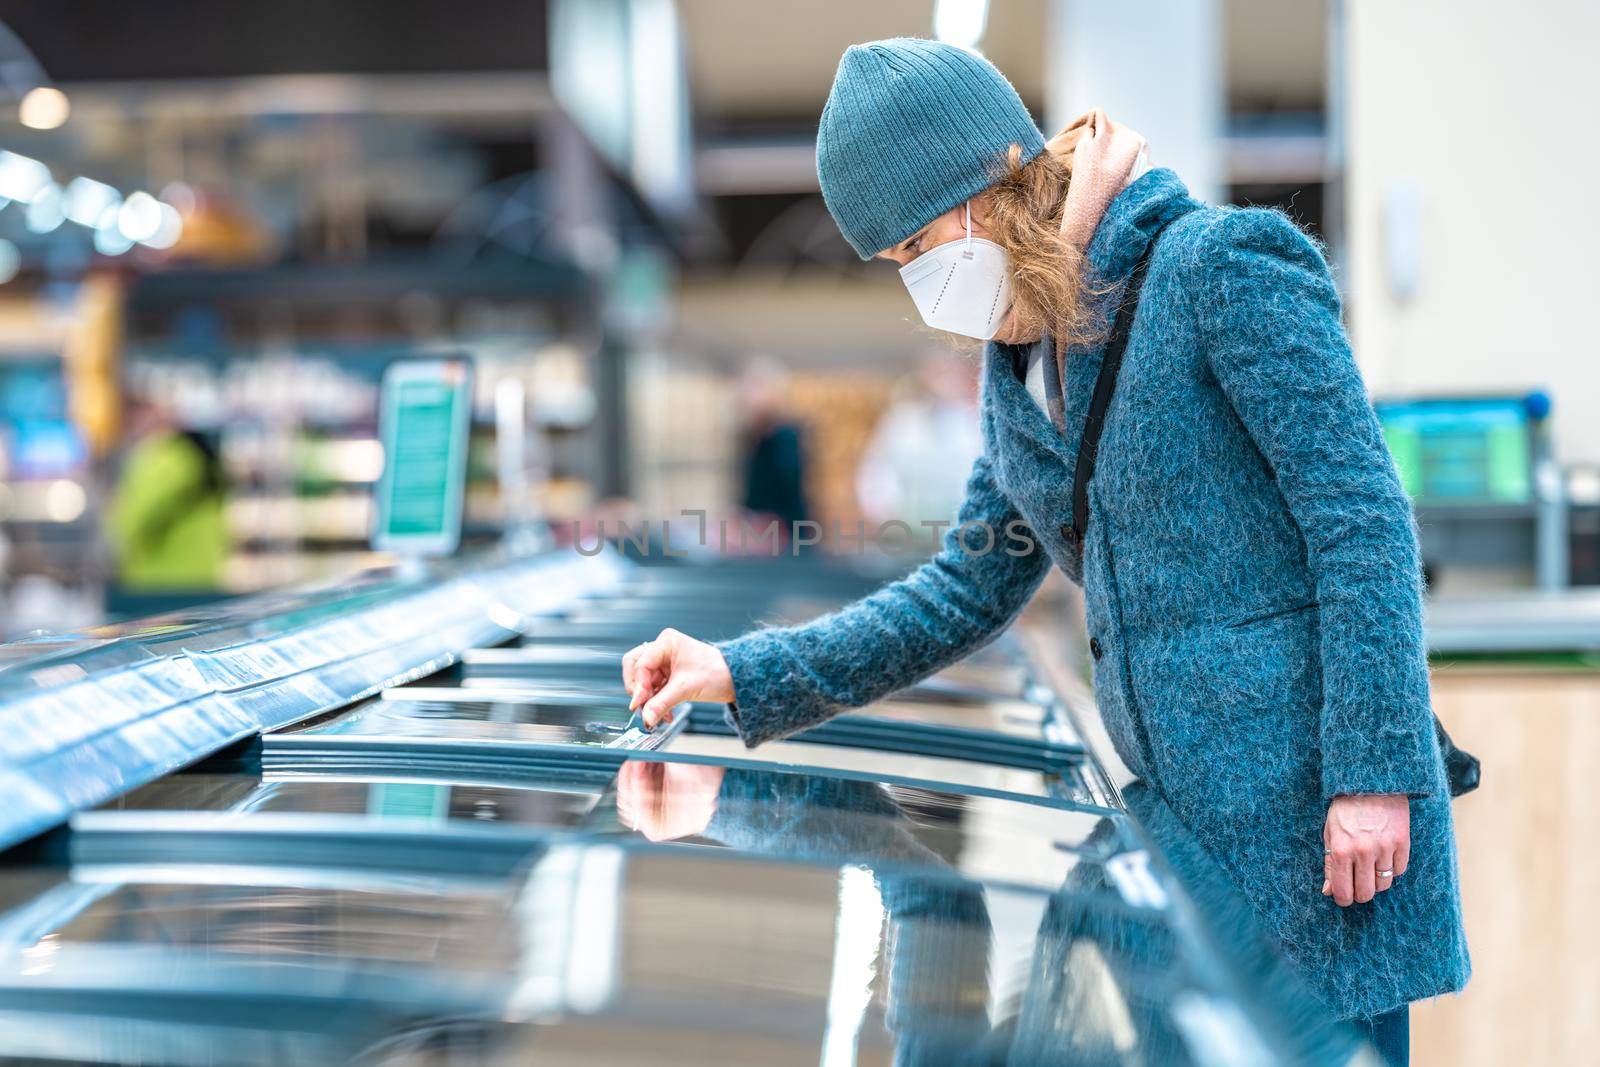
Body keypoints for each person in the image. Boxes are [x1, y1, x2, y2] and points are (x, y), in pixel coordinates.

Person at [619, 38, 1467, 1064]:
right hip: (1179, 844)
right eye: (896, 267)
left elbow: (1363, 524)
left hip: (1319, 829)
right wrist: (739, 669)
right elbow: (964, 586)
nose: (919, 283)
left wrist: (1373, 775)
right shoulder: (1015, 362)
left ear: (990, 189)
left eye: (917, 245)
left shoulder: (1222, 267)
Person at [108, 398, 228, 599]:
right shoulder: (195, 456)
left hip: (161, 580)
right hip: (200, 574)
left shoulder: (163, 461)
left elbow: (130, 525)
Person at [855, 350, 983, 537]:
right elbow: (877, 469)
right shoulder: (903, 420)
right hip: (905, 530)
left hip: (965, 528)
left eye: (952, 375)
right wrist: (887, 513)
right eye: (938, 375)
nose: (946, 383)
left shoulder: (975, 420)